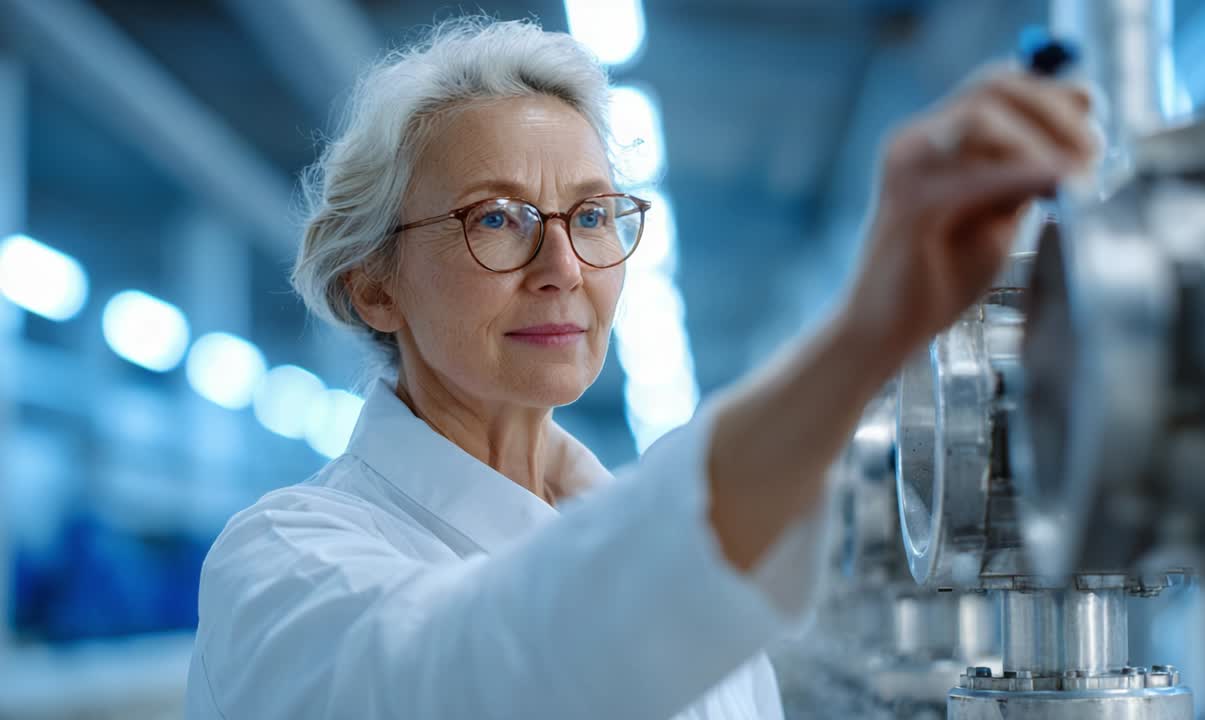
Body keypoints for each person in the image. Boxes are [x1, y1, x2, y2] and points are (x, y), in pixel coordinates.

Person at [185, 16, 1094, 720]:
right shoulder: (283, 562)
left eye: (590, 216)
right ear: (374, 287)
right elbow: (479, 668)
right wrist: (863, 335)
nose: (563, 267)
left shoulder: (634, 535)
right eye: (496, 218)